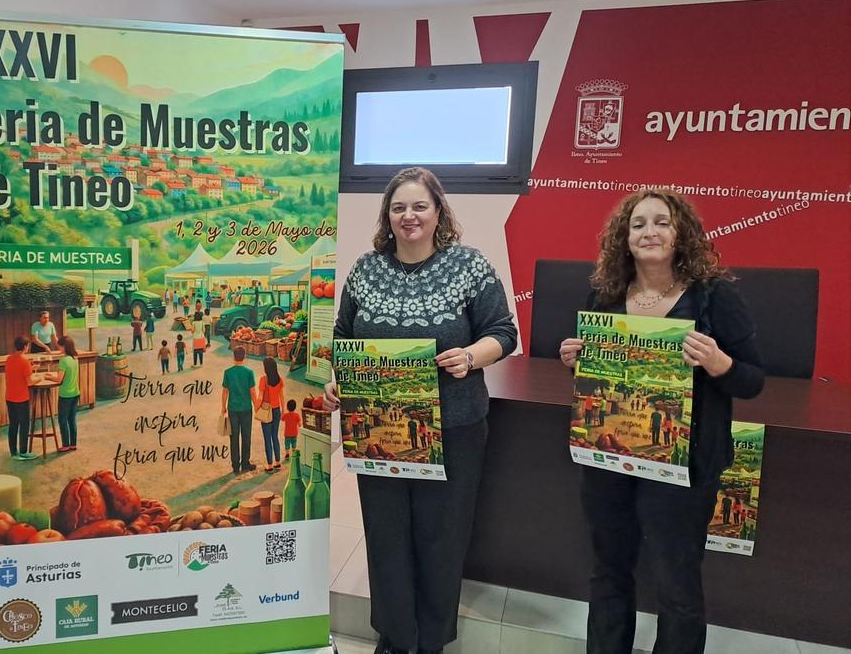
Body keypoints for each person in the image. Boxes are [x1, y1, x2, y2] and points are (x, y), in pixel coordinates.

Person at [558, 188, 764, 653]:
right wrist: (577, 359)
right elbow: (601, 379)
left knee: (676, 582)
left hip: (684, 467)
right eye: (637, 224)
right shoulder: (605, 295)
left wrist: (719, 363)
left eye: (661, 222)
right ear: (623, 238)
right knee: (608, 570)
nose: (649, 231)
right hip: (609, 459)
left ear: (681, 232)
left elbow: (753, 381)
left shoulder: (715, 297)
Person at [323, 167, 517, 654]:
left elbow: (503, 332)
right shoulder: (366, 270)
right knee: (386, 535)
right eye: (398, 207)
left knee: (441, 536)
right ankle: (393, 635)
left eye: (419, 206)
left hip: (455, 427)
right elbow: (343, 337)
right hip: (377, 431)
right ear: (387, 216)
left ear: (438, 212)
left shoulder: (470, 266)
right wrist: (338, 380)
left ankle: (430, 639)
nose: (409, 216)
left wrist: (472, 356)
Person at [221, 346, 258, 474]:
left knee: (234, 437)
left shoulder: (228, 372)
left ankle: (235, 465)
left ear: (233, 357)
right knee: (246, 436)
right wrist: (257, 406)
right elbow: (252, 392)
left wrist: (223, 407)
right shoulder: (249, 372)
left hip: (232, 409)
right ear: (245, 357)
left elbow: (225, 392)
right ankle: (245, 463)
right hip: (246, 409)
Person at [4, 336, 41, 460]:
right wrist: (40, 378)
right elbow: (30, 382)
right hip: (21, 398)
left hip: (9, 397)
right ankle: (24, 452)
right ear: (25, 346)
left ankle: (14, 452)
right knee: (24, 424)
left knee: (13, 425)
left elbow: (16, 373)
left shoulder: (9, 359)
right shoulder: (24, 361)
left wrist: (31, 369)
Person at [46, 336, 81, 451]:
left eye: (60, 346)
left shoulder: (64, 360)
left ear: (64, 346)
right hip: (75, 393)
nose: (58, 348)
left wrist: (48, 376)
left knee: (62, 420)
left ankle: (65, 445)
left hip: (65, 395)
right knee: (72, 420)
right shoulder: (75, 359)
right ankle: (73, 444)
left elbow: (59, 379)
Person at [256, 356, 285, 472]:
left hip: (266, 411)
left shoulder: (264, 380)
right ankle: (278, 462)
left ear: (266, 368)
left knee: (267, 438)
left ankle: (269, 464)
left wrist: (256, 409)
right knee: (275, 436)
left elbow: (260, 397)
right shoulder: (279, 380)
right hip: (277, 409)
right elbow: (281, 397)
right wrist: (284, 410)